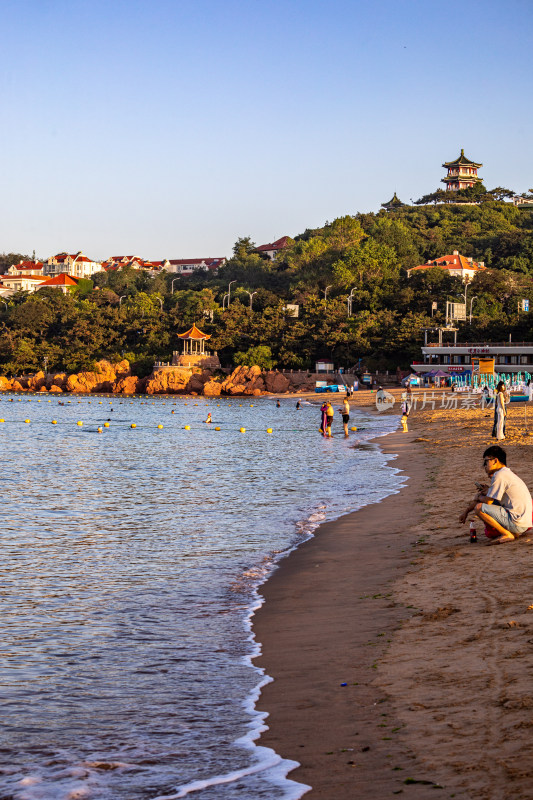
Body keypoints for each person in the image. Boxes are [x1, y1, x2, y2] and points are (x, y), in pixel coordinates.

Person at [459, 445, 532, 544]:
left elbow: (488, 501)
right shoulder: (507, 473)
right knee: (482, 501)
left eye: (486, 461)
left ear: (495, 461)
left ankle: (507, 534)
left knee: (479, 507)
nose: (485, 465)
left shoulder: (499, 475)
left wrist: (479, 497)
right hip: (525, 523)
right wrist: (467, 511)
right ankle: (511, 532)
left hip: (518, 523)